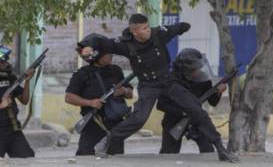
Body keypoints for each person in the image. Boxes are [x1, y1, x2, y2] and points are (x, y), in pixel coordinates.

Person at [80, 13, 239, 162]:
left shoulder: (159, 34)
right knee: (138, 119)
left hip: (168, 82)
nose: (148, 30)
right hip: (148, 85)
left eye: (148, 27)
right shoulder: (125, 45)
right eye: (144, 28)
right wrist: (87, 45)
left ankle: (220, 148)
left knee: (196, 109)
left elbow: (177, 27)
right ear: (134, 31)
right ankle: (108, 141)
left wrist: (184, 26)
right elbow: (101, 41)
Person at [65, 34, 133, 156]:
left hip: (115, 126)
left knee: (116, 160)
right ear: (97, 56)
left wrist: (124, 91)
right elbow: (69, 97)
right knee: (86, 159)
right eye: (107, 53)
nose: (110, 55)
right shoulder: (81, 74)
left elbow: (130, 94)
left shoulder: (116, 70)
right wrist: (90, 103)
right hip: (92, 125)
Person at [157, 48, 226, 154]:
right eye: (194, 69)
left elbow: (213, 102)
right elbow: (161, 104)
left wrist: (218, 92)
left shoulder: (202, 79)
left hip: (196, 119)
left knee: (208, 150)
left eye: (199, 68)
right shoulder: (171, 81)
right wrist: (183, 112)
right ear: (185, 69)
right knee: (169, 153)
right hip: (173, 121)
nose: (198, 71)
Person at [0, 45, 35, 158]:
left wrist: (27, 81)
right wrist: (2, 105)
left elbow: (24, 100)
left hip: (13, 128)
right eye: (2, 62)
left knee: (27, 159)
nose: (6, 64)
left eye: (6, 61)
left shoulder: (9, 77)